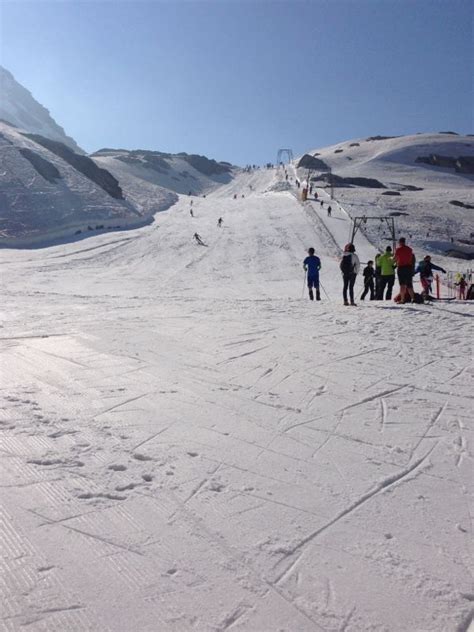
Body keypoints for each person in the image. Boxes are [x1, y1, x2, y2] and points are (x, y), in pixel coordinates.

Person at [394, 237, 415, 303]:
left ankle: (402, 300)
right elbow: (411, 258)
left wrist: (391, 258)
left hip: (401, 267)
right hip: (409, 267)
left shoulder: (398, 249)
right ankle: (413, 298)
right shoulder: (410, 249)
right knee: (409, 284)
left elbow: (395, 259)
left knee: (402, 284)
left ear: (400, 242)